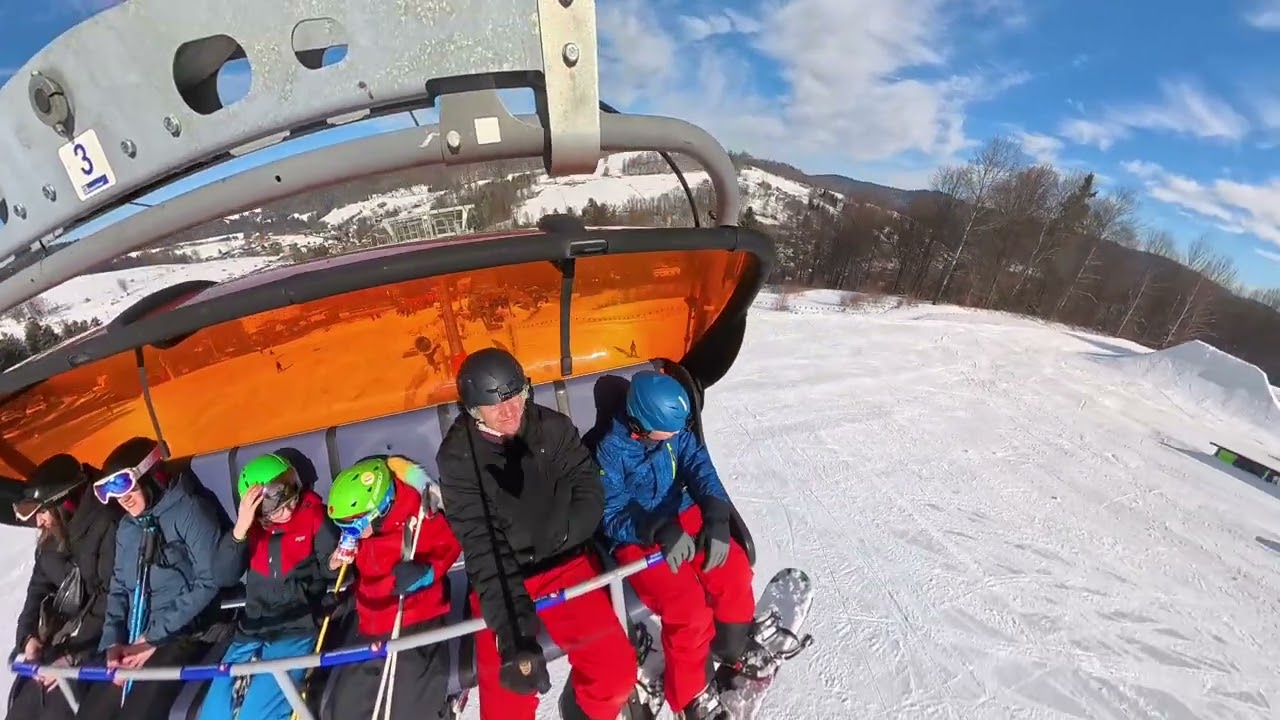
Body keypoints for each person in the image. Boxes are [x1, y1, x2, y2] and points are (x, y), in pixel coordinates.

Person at [436, 348, 637, 720]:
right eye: (496, 406)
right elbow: (482, 544)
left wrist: (562, 534)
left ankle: (581, 710)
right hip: (506, 577)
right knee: (507, 701)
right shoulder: (460, 459)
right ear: (474, 410)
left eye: (515, 397)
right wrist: (512, 636)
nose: (510, 411)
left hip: (565, 563)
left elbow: (588, 488)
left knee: (616, 674)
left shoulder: (551, 428)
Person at [594, 370, 754, 720]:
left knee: (734, 569)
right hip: (639, 535)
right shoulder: (609, 450)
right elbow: (610, 512)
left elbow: (699, 464)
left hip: (681, 512)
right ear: (640, 424)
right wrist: (655, 528)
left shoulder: (674, 433)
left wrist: (714, 512)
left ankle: (731, 646)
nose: (678, 434)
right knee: (688, 610)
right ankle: (691, 694)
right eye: (669, 430)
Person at [72, 437, 224, 720]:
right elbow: (118, 590)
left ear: (152, 477)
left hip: (183, 634)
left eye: (127, 486)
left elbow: (210, 581)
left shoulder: (189, 511)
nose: (123, 498)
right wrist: (113, 644)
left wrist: (153, 638)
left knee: (138, 712)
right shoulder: (128, 530)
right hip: (134, 641)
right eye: (112, 492)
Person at [197, 453, 340, 720]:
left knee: (257, 714)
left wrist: (335, 562)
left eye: (291, 500)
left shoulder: (312, 514)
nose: (288, 510)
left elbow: (329, 568)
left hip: (296, 628)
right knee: (214, 714)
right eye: (277, 508)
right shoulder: (250, 531)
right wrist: (239, 529)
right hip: (251, 630)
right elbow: (224, 577)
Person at [320, 455, 461, 720]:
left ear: (378, 509)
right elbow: (366, 574)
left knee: (410, 706)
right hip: (370, 624)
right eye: (343, 525)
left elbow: (450, 545)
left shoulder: (418, 514)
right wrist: (346, 600)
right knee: (346, 708)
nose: (349, 532)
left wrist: (426, 573)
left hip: (414, 618)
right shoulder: (362, 531)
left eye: (353, 524)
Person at [6, 454, 121, 720]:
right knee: (24, 708)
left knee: (58, 703)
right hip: (63, 643)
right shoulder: (52, 537)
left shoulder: (106, 524)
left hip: (97, 643)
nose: (39, 522)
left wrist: (74, 655)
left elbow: (112, 597)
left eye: (43, 511)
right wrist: (28, 636)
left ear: (65, 503)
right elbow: (38, 588)